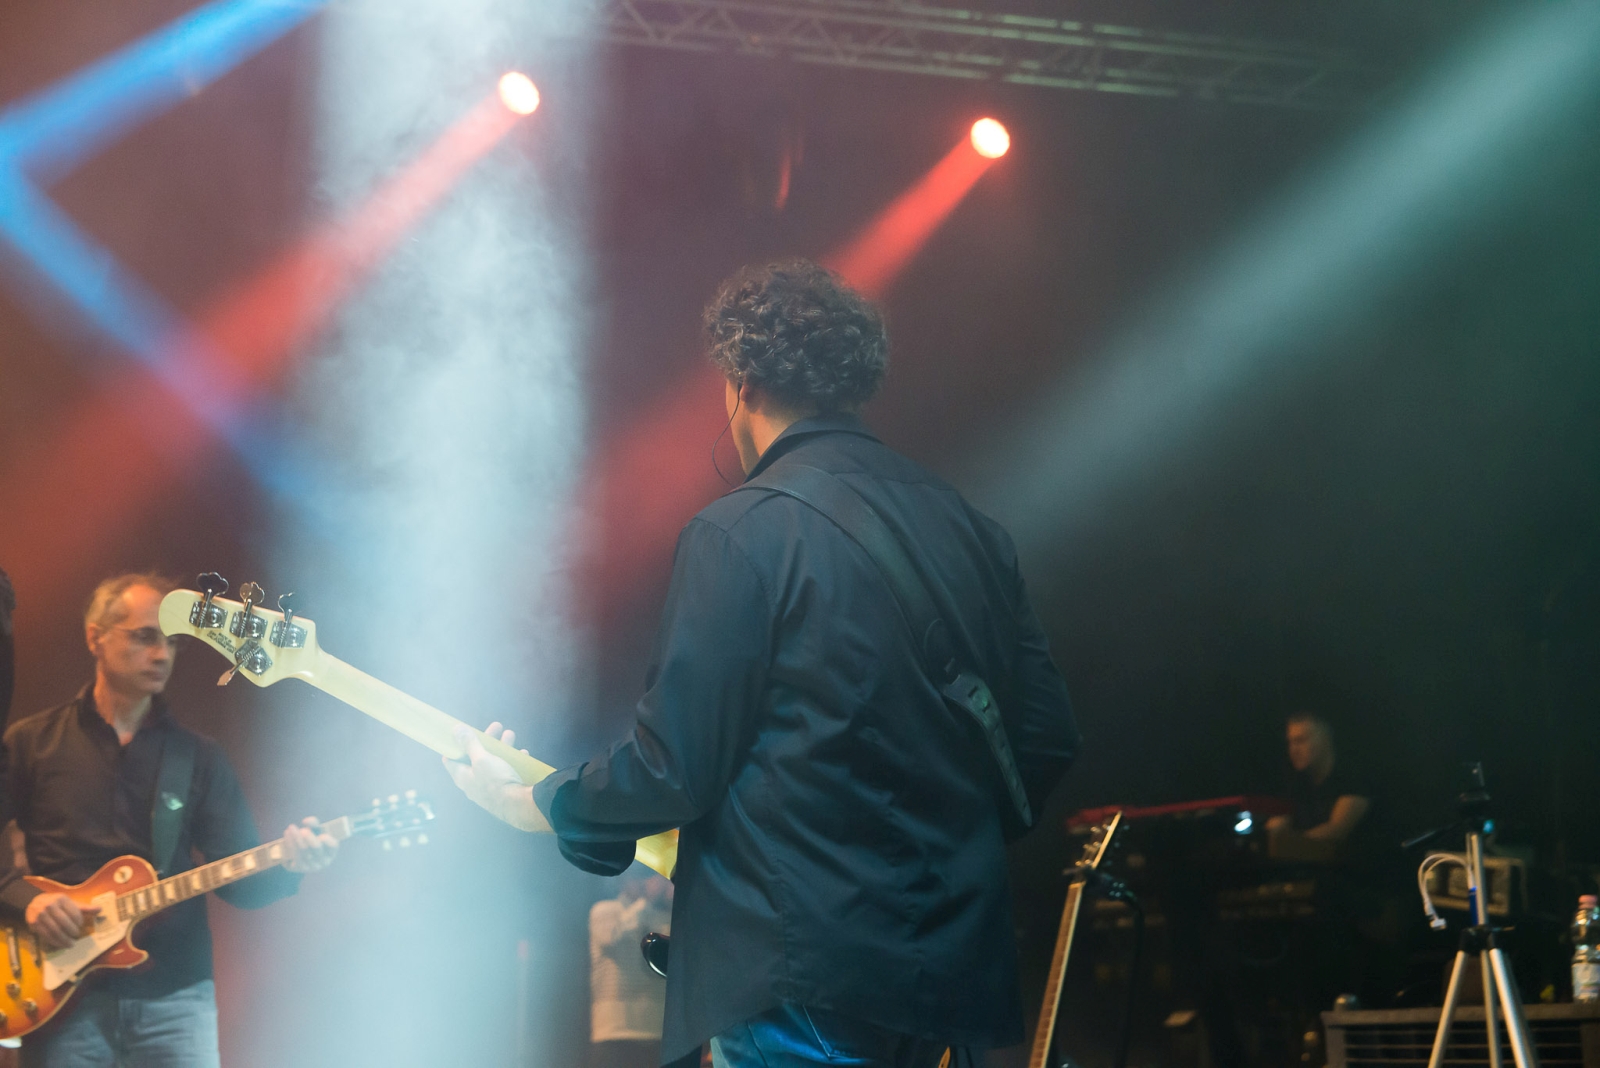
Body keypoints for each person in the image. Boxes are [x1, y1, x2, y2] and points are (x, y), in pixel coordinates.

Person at [445, 260, 1080, 1068]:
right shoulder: (973, 532)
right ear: (851, 383)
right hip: (949, 975)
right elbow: (1046, 738)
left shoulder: (738, 533)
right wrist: (946, 857)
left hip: (799, 975)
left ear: (741, 382)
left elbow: (674, 768)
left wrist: (538, 802)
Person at [0, 572, 340, 1068]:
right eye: (145, 636)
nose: (162, 655)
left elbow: (238, 883)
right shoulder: (31, 742)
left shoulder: (199, 757)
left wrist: (292, 864)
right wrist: (27, 899)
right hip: (56, 996)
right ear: (95, 637)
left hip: (175, 998)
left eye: (173, 642)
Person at [589, 873, 673, 1068]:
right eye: (640, 877)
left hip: (655, 1031)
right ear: (623, 880)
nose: (646, 883)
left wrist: (676, 904)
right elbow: (611, 937)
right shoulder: (604, 910)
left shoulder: (664, 916)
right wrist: (647, 901)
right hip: (614, 1030)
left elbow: (678, 954)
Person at [1267, 711, 1371, 862]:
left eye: (1301, 741)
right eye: (1290, 742)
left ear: (1325, 740)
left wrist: (1286, 842)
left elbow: (1336, 831)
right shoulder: (1298, 783)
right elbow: (1280, 822)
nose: (1293, 750)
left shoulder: (1353, 777)